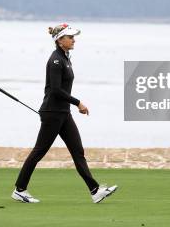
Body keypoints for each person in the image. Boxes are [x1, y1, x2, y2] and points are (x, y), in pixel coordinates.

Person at [11, 23, 118, 204]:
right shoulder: (55, 60)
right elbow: (55, 90)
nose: (73, 40)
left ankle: (95, 191)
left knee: (78, 151)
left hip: (63, 113)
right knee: (39, 152)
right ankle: (20, 190)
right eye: (70, 37)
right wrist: (78, 103)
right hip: (52, 113)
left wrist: (72, 106)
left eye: (73, 37)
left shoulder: (65, 58)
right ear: (60, 41)